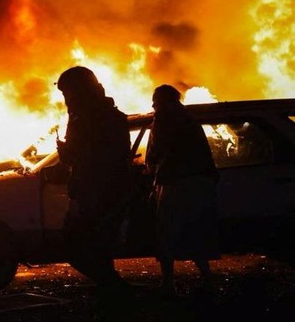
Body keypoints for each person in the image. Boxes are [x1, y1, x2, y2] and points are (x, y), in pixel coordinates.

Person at [55, 66, 133, 303]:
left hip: (101, 192)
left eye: (69, 93)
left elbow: (105, 157)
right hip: (92, 190)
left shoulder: (105, 119)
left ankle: (113, 288)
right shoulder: (86, 117)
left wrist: (71, 152)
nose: (67, 100)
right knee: (93, 245)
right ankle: (110, 287)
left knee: (80, 243)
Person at [146, 84, 219, 297]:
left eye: (155, 100)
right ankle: (207, 281)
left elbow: (156, 153)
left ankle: (169, 284)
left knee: (167, 232)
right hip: (199, 184)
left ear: (163, 101)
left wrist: (150, 167)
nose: (153, 104)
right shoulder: (189, 120)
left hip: (174, 184)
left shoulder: (164, 120)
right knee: (196, 232)